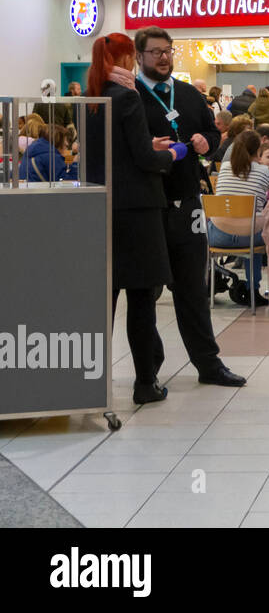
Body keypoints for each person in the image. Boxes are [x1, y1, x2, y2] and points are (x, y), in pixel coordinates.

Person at [133, 26, 246, 388]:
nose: (163, 58)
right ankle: (148, 368)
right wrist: (147, 146)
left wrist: (205, 142)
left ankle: (208, 364)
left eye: (168, 51)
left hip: (188, 205)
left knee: (192, 289)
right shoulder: (129, 98)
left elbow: (214, 137)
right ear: (139, 57)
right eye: (155, 52)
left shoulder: (187, 95)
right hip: (148, 208)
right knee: (145, 292)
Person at [83, 32, 179, 405]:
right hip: (137, 213)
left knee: (103, 300)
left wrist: (145, 148)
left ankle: (92, 382)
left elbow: (112, 152)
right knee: (141, 300)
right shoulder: (128, 97)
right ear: (127, 58)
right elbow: (143, 159)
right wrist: (170, 155)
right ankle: (145, 383)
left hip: (100, 210)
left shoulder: (91, 98)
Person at [210, 131, 269, 305]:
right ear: (258, 149)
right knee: (256, 230)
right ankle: (253, 289)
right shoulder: (264, 171)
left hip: (218, 236)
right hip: (250, 237)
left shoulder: (224, 168)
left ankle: (211, 277)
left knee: (203, 227)